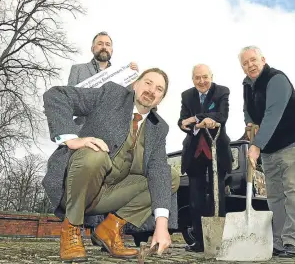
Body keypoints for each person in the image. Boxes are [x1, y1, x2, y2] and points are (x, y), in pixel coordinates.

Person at [42, 68, 179, 262]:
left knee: (170, 176)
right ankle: (71, 228)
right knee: (95, 155)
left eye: (159, 89)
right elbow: (57, 94)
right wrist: (71, 138)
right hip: (75, 187)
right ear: (135, 85)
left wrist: (162, 225)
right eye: (147, 83)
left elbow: (159, 172)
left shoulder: (159, 128)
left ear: (161, 99)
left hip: (110, 194)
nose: (151, 90)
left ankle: (109, 230)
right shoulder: (111, 94)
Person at [239, 46, 295, 258]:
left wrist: (256, 145)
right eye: (245, 63)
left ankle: (293, 242)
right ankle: (278, 242)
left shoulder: (276, 79)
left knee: (294, 191)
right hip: (269, 148)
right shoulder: (247, 85)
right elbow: (247, 111)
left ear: (263, 59)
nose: (250, 65)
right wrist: (250, 123)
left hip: (290, 143)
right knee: (275, 196)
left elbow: (272, 115)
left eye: (253, 60)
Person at [178, 64, 232, 252]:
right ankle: (199, 242)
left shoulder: (222, 92)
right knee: (195, 200)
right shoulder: (186, 95)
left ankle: (219, 240)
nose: (202, 81)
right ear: (192, 79)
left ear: (211, 76)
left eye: (205, 77)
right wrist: (187, 122)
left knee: (217, 196)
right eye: (197, 78)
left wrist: (197, 117)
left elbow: (222, 115)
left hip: (217, 150)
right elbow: (182, 120)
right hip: (195, 153)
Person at [67, 31, 139, 86]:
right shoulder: (77, 70)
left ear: (111, 51)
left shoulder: (121, 75)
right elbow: (69, 98)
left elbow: (129, 98)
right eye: (100, 44)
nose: (104, 47)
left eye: (108, 44)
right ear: (92, 49)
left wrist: (133, 76)